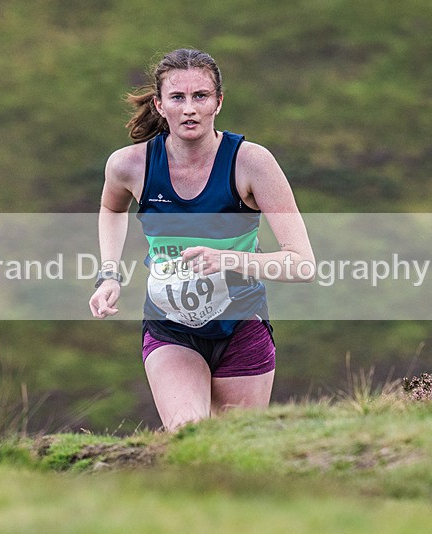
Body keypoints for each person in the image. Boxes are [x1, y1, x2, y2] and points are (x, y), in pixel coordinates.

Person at [89, 48, 314, 431]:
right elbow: (112, 209)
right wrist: (109, 274)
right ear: (160, 105)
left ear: (218, 102)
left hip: (240, 325)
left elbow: (303, 264)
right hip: (169, 327)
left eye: (201, 96)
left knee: (239, 446)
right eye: (177, 97)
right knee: (190, 436)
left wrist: (228, 260)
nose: (190, 109)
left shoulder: (251, 163)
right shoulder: (129, 165)